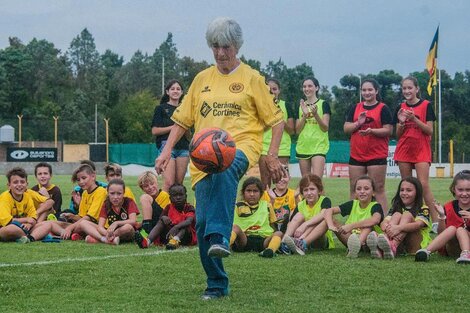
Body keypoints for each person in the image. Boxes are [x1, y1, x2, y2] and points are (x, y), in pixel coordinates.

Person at [155, 17, 285, 300]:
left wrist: (271, 155)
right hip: (202, 160)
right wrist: (166, 151)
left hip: (240, 147)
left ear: (236, 46)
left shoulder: (252, 78)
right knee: (200, 225)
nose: (220, 52)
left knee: (225, 167)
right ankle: (216, 283)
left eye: (225, 46)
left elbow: (277, 120)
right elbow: (182, 121)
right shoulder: (202, 79)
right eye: (215, 46)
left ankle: (221, 236)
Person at [394, 76, 438, 230]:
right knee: (407, 186)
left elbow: (429, 130)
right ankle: (410, 219)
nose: (407, 91)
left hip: (421, 149)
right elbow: (398, 135)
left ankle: (436, 221)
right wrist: (401, 122)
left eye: (410, 88)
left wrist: (414, 119)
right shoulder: (400, 106)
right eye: (404, 88)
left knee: (423, 185)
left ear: (417, 89)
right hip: (404, 149)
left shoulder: (426, 105)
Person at [344, 78, 392, 212]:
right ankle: (354, 218)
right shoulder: (355, 108)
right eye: (364, 90)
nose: (367, 92)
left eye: (370, 89)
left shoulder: (383, 108)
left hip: (376, 155)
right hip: (357, 155)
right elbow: (346, 129)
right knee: (355, 188)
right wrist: (358, 123)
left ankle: (382, 222)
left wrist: (372, 131)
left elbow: (388, 130)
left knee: (378, 189)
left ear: (376, 91)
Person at [367, 177, 431, 259]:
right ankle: (386, 246)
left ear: (417, 193)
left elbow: (418, 224)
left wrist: (398, 228)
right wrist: (389, 228)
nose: (404, 193)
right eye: (402, 190)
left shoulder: (423, 208)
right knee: (397, 214)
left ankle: (391, 244)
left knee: (406, 215)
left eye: (408, 190)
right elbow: (383, 224)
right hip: (401, 247)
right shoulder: (396, 207)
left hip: (417, 246)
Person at [415, 170, 470, 264]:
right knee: (452, 228)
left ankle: (466, 254)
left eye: (468, 190)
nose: (464, 194)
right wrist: (442, 216)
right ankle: (426, 251)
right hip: (452, 248)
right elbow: (441, 233)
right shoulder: (448, 207)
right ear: (454, 189)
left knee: (460, 230)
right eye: (460, 190)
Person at [324, 175, 384, 258]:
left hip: (368, 240)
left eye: (366, 188)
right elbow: (329, 210)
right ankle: (353, 247)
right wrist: (331, 225)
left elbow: (375, 220)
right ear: (355, 192)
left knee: (368, 226)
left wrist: (351, 226)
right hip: (350, 239)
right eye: (358, 189)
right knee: (333, 221)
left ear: (373, 192)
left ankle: (356, 247)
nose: (362, 191)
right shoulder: (353, 204)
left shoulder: (375, 206)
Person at [49, 164, 107, 240]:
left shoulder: (101, 191)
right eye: (78, 180)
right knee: (50, 223)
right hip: (84, 223)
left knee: (81, 224)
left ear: (93, 176)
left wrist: (70, 228)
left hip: (96, 226)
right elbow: (81, 217)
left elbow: (89, 218)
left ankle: (62, 233)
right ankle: (68, 234)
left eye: (84, 178)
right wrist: (72, 216)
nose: (81, 182)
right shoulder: (85, 193)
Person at [152, 80, 190, 191]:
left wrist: (185, 128)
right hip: (166, 147)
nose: (175, 91)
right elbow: (155, 130)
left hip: (183, 148)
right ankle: (164, 208)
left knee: (179, 186)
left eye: (178, 89)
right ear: (167, 92)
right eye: (172, 89)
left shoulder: (185, 110)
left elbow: (188, 134)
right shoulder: (160, 108)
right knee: (169, 184)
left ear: (182, 92)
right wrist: (174, 128)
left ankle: (178, 208)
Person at [282, 174, 335, 255]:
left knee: (324, 219)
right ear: (302, 193)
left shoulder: (325, 200)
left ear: (319, 190)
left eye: (312, 189)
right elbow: (291, 223)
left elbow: (324, 214)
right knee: (299, 215)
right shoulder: (300, 205)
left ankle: (302, 243)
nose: (309, 193)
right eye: (305, 190)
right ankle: (284, 243)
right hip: (301, 235)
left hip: (320, 240)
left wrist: (305, 225)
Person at [230, 177, 283, 258]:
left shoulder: (267, 205)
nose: (252, 194)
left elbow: (272, 225)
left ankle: (270, 250)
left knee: (278, 233)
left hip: (263, 240)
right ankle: (225, 246)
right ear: (243, 192)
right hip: (244, 239)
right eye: (248, 191)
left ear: (261, 193)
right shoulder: (237, 206)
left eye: (255, 191)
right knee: (235, 228)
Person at [135, 183, 196, 250]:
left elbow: (189, 221)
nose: (178, 197)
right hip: (170, 235)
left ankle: (175, 240)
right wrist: (163, 218)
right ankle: (147, 241)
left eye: (181, 195)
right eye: (175, 195)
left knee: (185, 225)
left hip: (186, 237)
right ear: (170, 198)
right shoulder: (168, 207)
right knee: (162, 221)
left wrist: (176, 227)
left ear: (186, 196)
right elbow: (160, 220)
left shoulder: (189, 207)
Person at [80, 178, 139, 245]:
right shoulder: (106, 204)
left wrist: (116, 223)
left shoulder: (129, 202)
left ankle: (100, 238)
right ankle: (104, 239)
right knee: (83, 223)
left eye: (119, 194)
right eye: (112, 193)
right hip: (109, 231)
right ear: (107, 193)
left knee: (128, 227)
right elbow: (100, 227)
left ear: (124, 193)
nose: (115, 197)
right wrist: (107, 233)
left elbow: (133, 221)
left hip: (126, 232)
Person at [259, 78, 294, 188]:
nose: (272, 91)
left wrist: (280, 121)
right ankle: (266, 205)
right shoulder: (260, 106)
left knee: (281, 183)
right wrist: (272, 120)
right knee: (265, 184)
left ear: (279, 91)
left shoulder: (286, 106)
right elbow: (258, 129)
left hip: (282, 150)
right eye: (269, 89)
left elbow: (292, 130)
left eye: (274, 89)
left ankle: (282, 205)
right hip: (264, 149)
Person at [295, 77, 330, 178]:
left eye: (310, 86)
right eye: (304, 86)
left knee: (316, 181)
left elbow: (325, 128)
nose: (307, 89)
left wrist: (315, 115)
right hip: (303, 146)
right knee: (305, 183)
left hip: (319, 146)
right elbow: (297, 130)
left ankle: (322, 195)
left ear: (317, 88)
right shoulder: (300, 106)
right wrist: (305, 116)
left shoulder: (323, 104)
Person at [262, 168, 298, 234]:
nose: (281, 179)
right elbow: (263, 217)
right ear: (273, 178)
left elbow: (299, 215)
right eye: (278, 176)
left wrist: (296, 198)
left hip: (288, 229)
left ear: (289, 178)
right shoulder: (265, 194)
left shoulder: (294, 194)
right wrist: (272, 201)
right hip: (269, 230)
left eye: (284, 176)